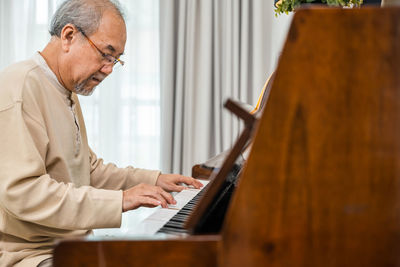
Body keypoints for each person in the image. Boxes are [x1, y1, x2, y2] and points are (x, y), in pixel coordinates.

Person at [0, 0, 202, 266]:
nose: (108, 69)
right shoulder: (21, 87)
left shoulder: (64, 89)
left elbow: (87, 170)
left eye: (115, 60)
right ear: (69, 36)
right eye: (105, 54)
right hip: (31, 255)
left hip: (70, 245)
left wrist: (154, 180)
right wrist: (121, 200)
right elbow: (23, 193)